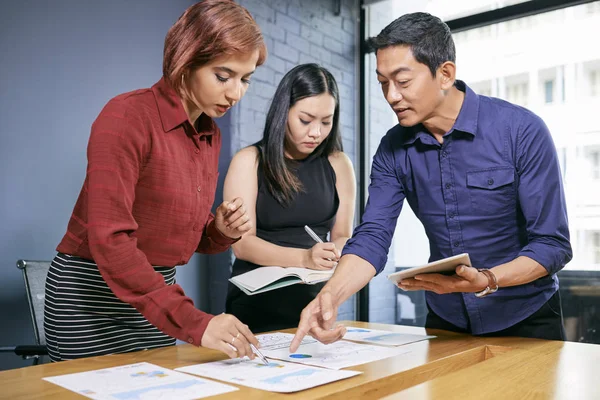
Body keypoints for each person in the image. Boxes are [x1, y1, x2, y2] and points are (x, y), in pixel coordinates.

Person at [290, 12, 572, 352]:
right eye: (382, 82)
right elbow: (373, 236)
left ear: (445, 74)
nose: (391, 95)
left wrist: (488, 280)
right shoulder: (393, 148)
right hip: (446, 322)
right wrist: (329, 296)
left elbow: (553, 244)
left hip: (526, 320)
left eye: (403, 81)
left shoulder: (521, 131)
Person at [44, 0, 267, 362]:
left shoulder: (209, 133)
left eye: (245, 79)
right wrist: (194, 321)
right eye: (223, 76)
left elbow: (177, 234)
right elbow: (110, 239)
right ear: (186, 59)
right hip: (90, 302)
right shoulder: (126, 116)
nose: (236, 93)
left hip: (155, 301)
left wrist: (219, 231)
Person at [223, 63, 356, 333]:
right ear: (283, 113)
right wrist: (305, 258)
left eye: (326, 121)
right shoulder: (249, 161)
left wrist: (336, 251)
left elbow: (342, 233)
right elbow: (242, 244)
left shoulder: (339, 164)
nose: (316, 132)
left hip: (315, 300)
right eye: (305, 120)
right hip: (255, 304)